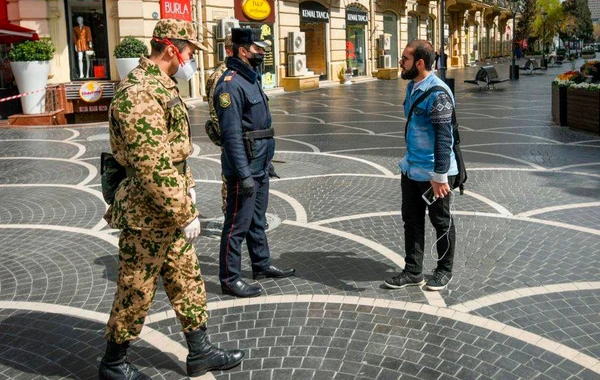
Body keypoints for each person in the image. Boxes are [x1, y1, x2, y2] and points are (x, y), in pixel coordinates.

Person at [99, 19, 244, 379]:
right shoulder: (140, 92)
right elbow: (151, 163)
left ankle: (200, 351)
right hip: (146, 213)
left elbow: (173, 153)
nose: (191, 60)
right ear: (171, 49)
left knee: (187, 278)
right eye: (191, 52)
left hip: (168, 205)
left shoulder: (161, 85)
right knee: (136, 288)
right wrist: (184, 211)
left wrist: (188, 186)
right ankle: (114, 363)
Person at [213, 28, 295, 298]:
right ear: (242, 50)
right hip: (244, 167)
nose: (262, 52)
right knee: (236, 224)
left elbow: (259, 126)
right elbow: (232, 135)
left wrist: (266, 162)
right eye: (257, 48)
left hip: (259, 162)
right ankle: (230, 278)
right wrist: (243, 173)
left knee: (257, 219)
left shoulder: (251, 78)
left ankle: (261, 264)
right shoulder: (230, 83)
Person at [384, 40, 458, 292]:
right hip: (411, 168)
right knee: (412, 220)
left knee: (441, 221)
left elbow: (444, 138)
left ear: (419, 63)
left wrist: (439, 175)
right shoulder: (412, 87)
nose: (400, 62)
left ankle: (444, 270)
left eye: (404, 58)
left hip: (434, 173)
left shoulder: (438, 94)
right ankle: (413, 271)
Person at [206, 34, 234, 215]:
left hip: (233, 138)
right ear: (229, 50)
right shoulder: (222, 76)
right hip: (230, 138)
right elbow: (217, 113)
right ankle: (230, 215)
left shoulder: (233, 73)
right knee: (231, 180)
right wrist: (227, 140)